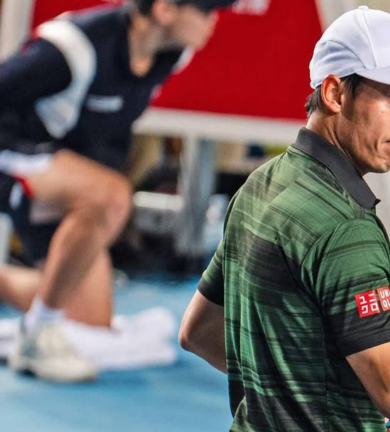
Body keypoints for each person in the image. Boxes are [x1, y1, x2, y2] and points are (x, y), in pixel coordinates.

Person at [179, 6, 390, 431]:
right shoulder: (344, 229)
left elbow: (199, 331)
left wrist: (328, 401)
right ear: (336, 94)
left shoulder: (262, 183)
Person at [0, 0, 234, 382]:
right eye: (206, 10)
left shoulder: (172, 56)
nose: (213, 22)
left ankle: (34, 304)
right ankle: (36, 336)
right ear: (164, 10)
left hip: (62, 179)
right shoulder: (69, 49)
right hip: (12, 159)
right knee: (110, 195)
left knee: (88, 319)